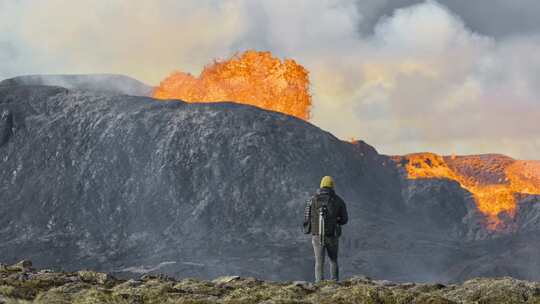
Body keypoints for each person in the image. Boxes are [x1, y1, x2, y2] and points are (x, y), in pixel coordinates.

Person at [303, 176, 348, 282]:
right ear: (332, 186)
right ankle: (335, 282)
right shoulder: (338, 200)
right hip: (332, 235)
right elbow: (344, 220)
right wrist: (336, 220)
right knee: (333, 260)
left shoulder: (312, 200)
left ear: (321, 185)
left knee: (319, 261)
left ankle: (319, 283)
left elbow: (307, 218)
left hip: (317, 236)